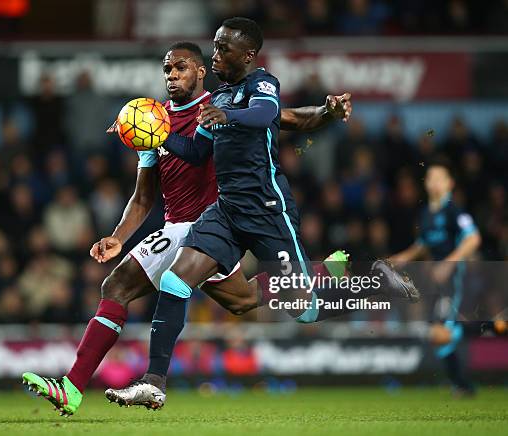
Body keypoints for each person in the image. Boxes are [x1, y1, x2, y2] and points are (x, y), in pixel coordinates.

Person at [22, 39, 355, 416]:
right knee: (242, 300)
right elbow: (144, 197)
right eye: (167, 69)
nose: (172, 75)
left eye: (180, 68)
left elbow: (285, 117)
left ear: (200, 72)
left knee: (117, 286)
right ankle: (322, 272)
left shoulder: (220, 104)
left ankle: (80, 386)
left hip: (211, 220)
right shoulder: (152, 120)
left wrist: (325, 114)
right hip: (184, 226)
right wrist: (117, 237)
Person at [107, 17, 417, 410]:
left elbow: (265, 114)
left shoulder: (261, 84)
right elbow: (196, 153)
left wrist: (230, 117)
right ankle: (153, 382)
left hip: (268, 210)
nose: (215, 54)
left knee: (305, 310)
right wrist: (154, 132)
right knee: (175, 281)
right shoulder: (218, 98)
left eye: (223, 48)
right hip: (226, 211)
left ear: (247, 55)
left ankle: (375, 281)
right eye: (215, 46)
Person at [391, 158, 481, 396]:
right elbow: (423, 244)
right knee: (439, 337)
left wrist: (449, 264)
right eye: (431, 178)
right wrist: (403, 257)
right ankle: (462, 385)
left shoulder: (454, 211)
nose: (434, 182)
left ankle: (490, 327)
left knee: (440, 331)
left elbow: (473, 239)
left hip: (453, 281)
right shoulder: (426, 214)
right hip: (436, 283)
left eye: (440, 178)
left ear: (450, 183)